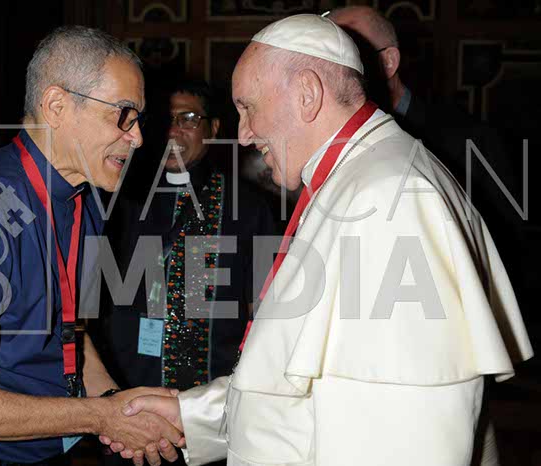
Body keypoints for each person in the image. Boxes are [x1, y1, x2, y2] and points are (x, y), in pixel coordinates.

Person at [101, 14, 533, 466]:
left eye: (248, 108)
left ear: (307, 94)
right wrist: (191, 417)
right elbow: (308, 387)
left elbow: (405, 437)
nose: (243, 135)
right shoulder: (358, 178)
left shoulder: (388, 199)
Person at [0, 26, 183, 466]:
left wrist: (119, 406)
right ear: (57, 106)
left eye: (138, 119)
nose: (137, 137)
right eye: (123, 114)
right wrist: (100, 417)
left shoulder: (84, 200)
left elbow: (68, 330)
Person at [96, 79, 276, 465]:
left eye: (189, 118)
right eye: (166, 120)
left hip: (212, 408)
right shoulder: (121, 200)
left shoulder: (249, 208)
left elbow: (264, 312)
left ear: (214, 129)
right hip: (130, 397)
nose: (174, 130)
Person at [327, 6, 525, 282]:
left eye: (351, 55)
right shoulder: (327, 145)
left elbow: (507, 252)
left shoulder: (469, 140)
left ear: (388, 63)